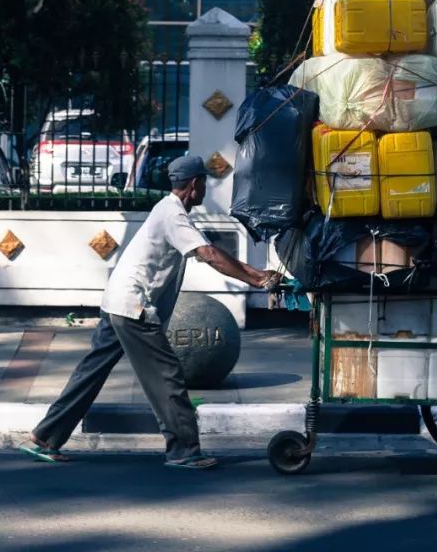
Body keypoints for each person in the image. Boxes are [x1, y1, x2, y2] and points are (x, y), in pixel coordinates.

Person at [19, 154, 281, 469]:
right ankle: (184, 450)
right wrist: (258, 279)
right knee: (167, 376)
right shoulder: (172, 214)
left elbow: (211, 251)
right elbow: (209, 254)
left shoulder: (171, 212)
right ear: (195, 184)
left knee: (89, 375)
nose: (206, 188)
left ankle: (44, 437)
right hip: (133, 307)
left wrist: (258, 276)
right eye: (205, 182)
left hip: (116, 301)